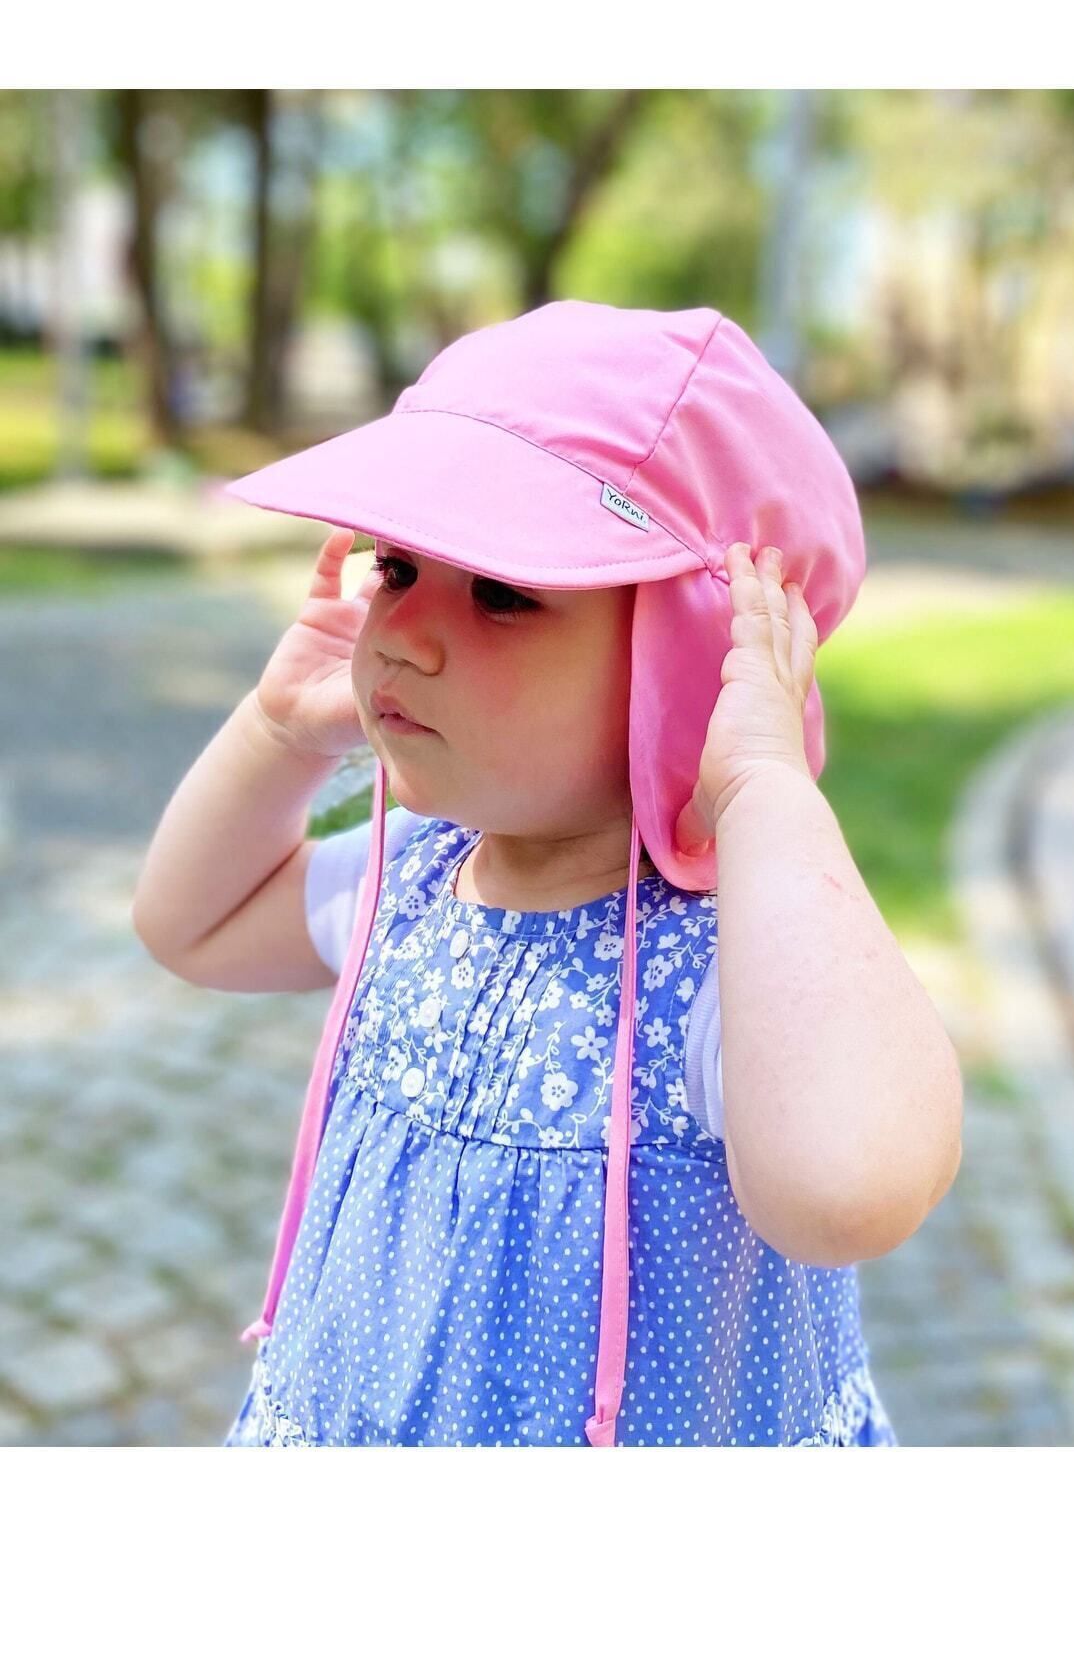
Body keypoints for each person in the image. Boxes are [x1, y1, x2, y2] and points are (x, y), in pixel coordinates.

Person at [132, 299, 963, 1446]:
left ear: (693, 661)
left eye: (504, 594)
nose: (407, 633)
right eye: (401, 568)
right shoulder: (417, 877)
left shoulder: (729, 967)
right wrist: (281, 731)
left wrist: (765, 786)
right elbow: (190, 923)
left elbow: (855, 1182)